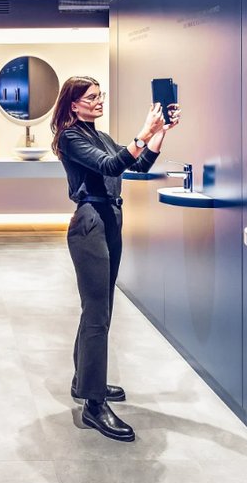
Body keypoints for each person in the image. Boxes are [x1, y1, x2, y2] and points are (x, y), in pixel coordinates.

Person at [53, 76, 181, 442]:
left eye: (100, 95)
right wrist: (143, 132)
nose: (98, 101)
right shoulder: (70, 137)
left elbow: (137, 165)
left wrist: (161, 131)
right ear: (73, 104)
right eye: (91, 97)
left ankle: (84, 380)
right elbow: (110, 166)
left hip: (110, 219)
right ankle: (93, 405)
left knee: (100, 308)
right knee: (97, 312)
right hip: (90, 222)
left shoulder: (101, 136)